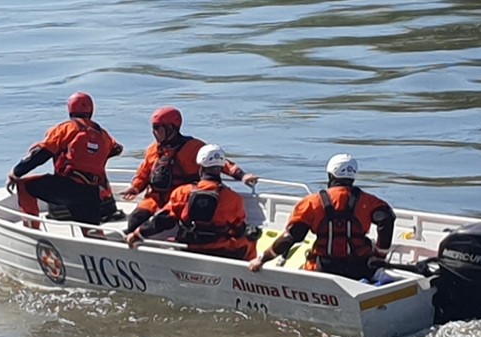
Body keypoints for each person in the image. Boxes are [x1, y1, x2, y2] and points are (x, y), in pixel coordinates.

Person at [249, 153, 393, 279]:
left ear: (330, 175)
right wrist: (380, 254)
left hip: (324, 268)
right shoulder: (370, 202)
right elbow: (387, 219)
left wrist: (262, 259)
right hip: (361, 267)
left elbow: (291, 237)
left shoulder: (312, 203)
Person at [121, 106, 257, 234]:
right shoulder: (153, 150)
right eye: (153, 127)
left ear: (171, 128)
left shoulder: (192, 148)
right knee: (135, 220)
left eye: (157, 128)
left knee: (171, 222)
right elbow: (143, 174)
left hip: (181, 199)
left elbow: (220, 162)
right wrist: (135, 188)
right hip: (155, 199)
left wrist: (242, 176)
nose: (154, 132)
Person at [6, 91, 123, 225]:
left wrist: (16, 172)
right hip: (92, 192)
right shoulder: (103, 135)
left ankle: (31, 229)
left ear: (70, 109)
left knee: (24, 185)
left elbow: (41, 153)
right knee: (91, 231)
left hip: (67, 187)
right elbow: (117, 149)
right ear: (91, 110)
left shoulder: (66, 129)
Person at [125, 144, 256, 261]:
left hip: (188, 247)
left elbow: (163, 220)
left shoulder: (182, 192)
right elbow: (238, 228)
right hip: (219, 249)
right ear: (221, 168)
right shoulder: (233, 199)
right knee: (250, 241)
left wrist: (138, 233)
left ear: (200, 167)